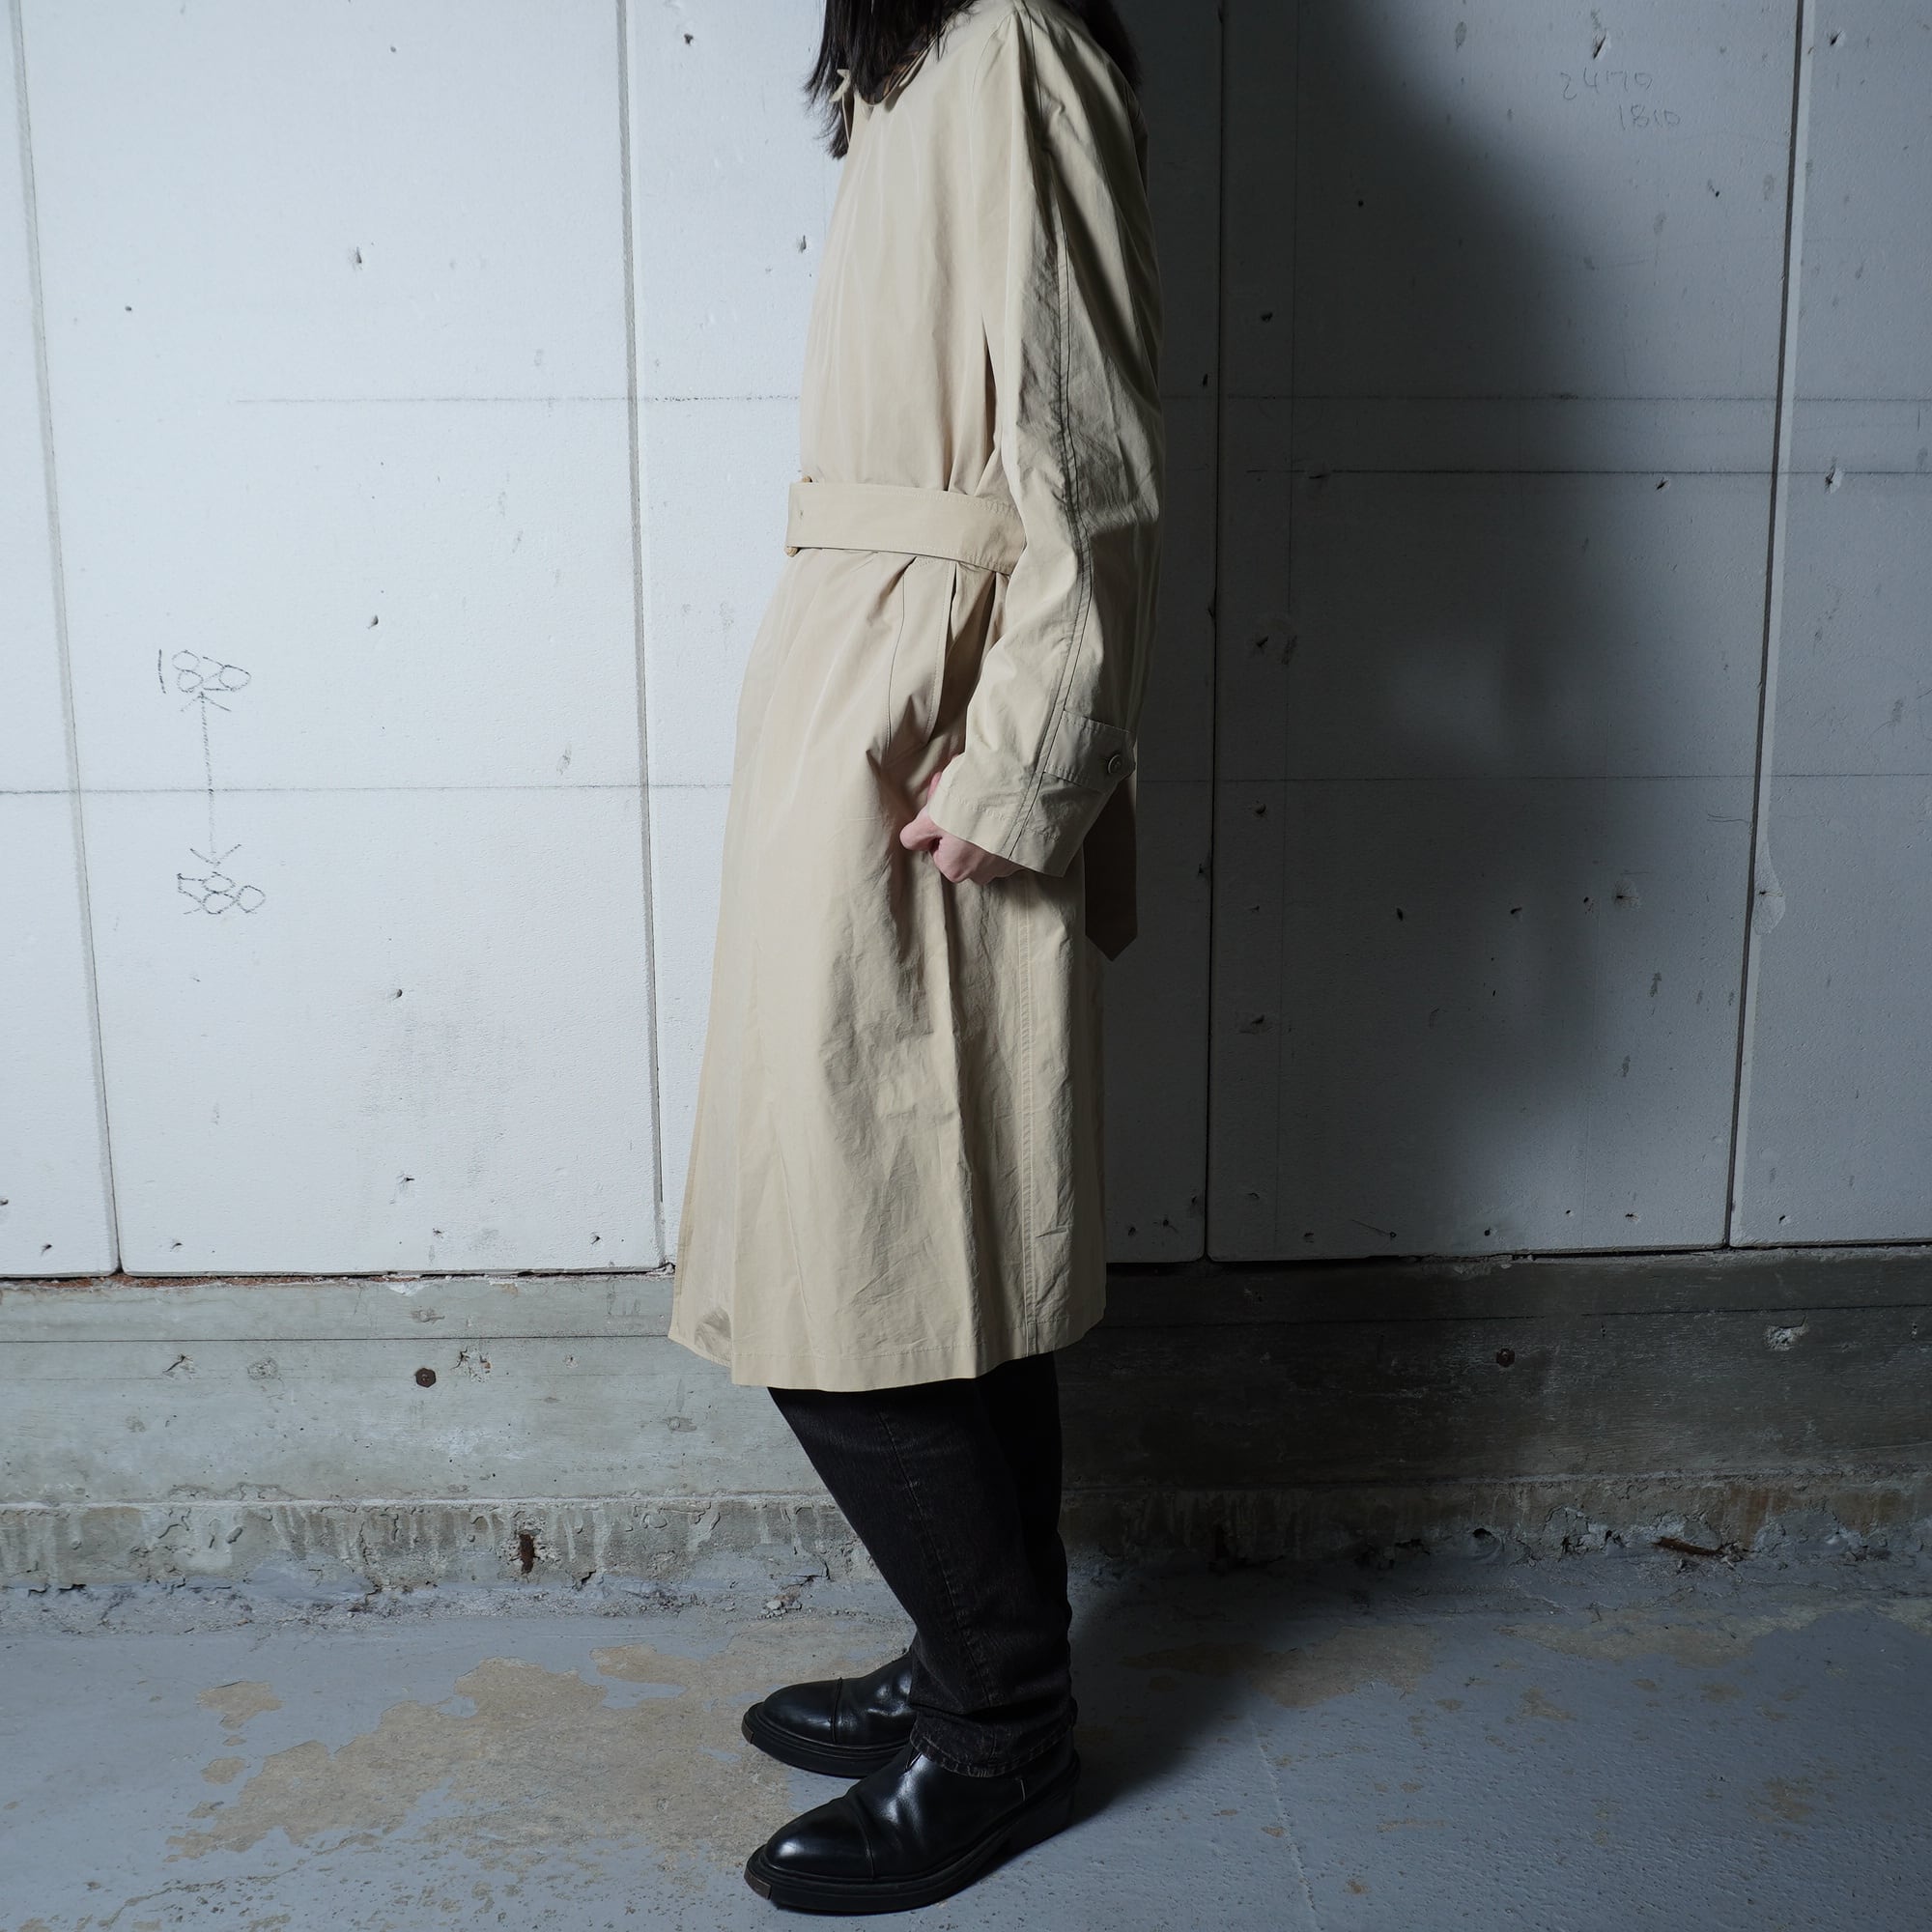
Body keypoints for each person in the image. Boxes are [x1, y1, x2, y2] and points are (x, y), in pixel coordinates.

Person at [668, 0, 1164, 1912]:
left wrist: (1031, 754)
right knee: (922, 1242)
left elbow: (1089, 441)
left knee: (843, 1250)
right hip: (853, 680)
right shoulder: (922, 60)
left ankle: (1001, 1723)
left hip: (929, 711)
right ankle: (977, 1657)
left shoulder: (1014, 37)